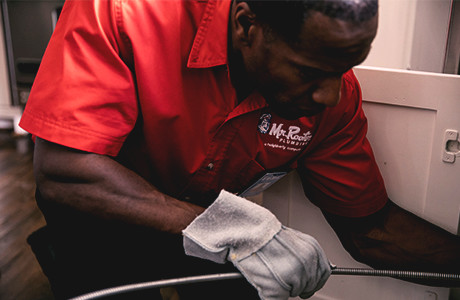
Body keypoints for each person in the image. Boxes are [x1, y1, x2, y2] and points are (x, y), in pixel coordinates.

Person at [20, 0, 460, 299]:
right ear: (247, 25)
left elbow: (371, 229)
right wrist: (232, 227)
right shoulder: (125, 11)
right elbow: (64, 170)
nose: (330, 95)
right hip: (100, 211)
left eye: (343, 68)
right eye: (311, 70)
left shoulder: (334, 97)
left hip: (206, 223)